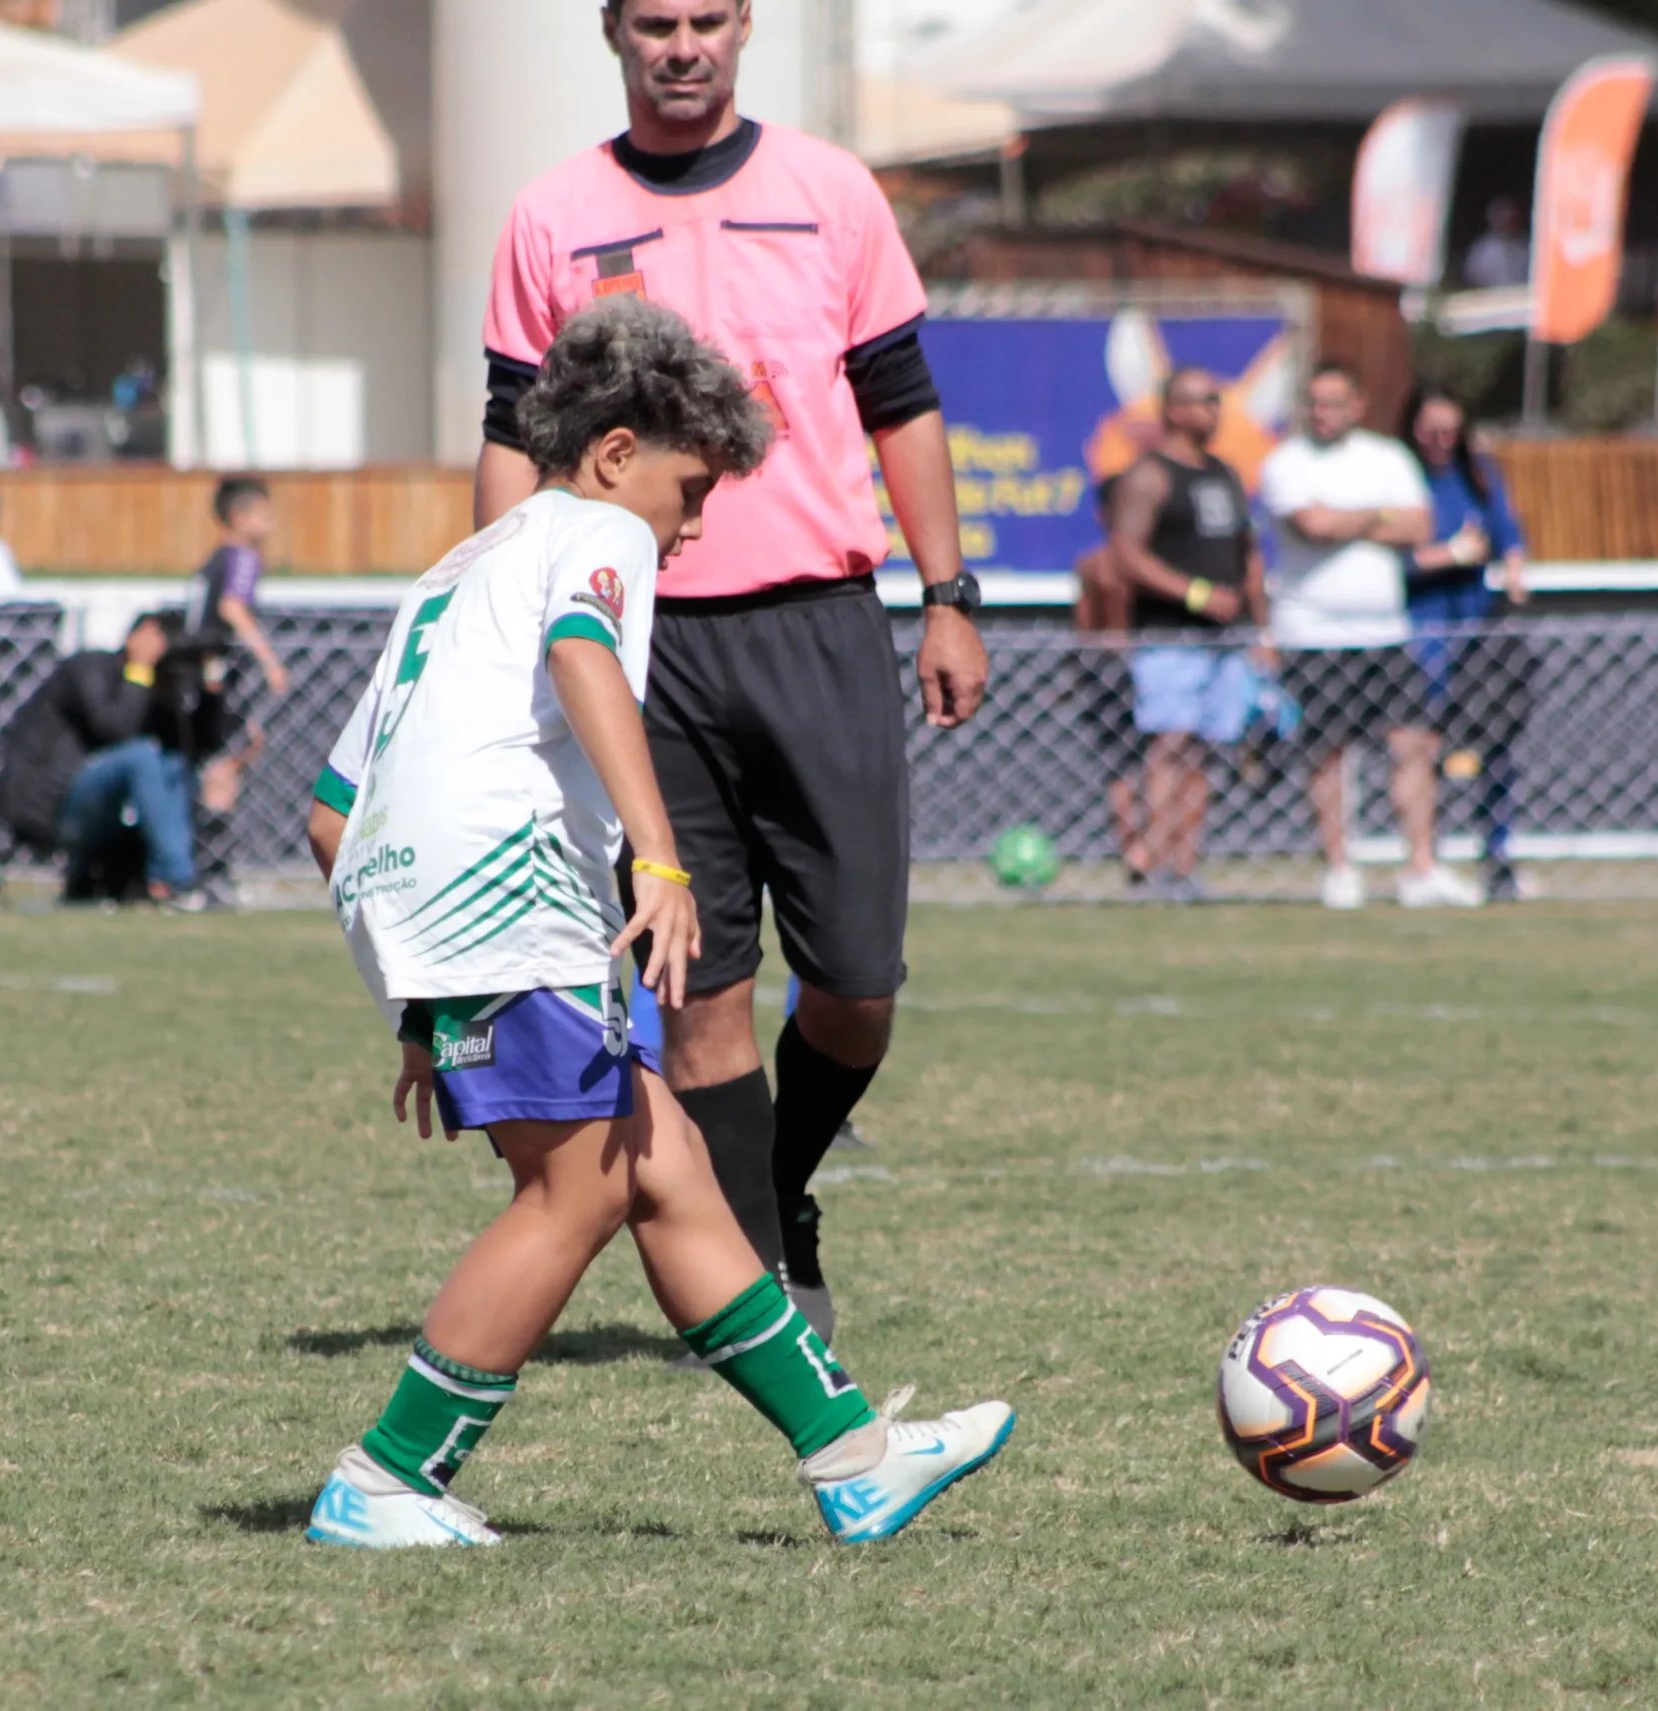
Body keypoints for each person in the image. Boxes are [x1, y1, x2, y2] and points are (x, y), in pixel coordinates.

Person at [301, 299, 1013, 1551]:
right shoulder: (596, 532)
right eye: (692, 490)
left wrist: (420, 995)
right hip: (504, 893)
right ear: (618, 452)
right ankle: (387, 1477)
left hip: (421, 904)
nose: (694, 526)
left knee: (668, 1168)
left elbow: (327, 811)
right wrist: (662, 857)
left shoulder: (459, 567)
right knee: (574, 1192)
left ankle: (852, 1458)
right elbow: (582, 651)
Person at [471, 0, 990, 1348]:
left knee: (859, 984)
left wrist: (948, 595)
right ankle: (767, 1292)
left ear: (747, 25)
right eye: (656, 21)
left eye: (707, 17)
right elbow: (508, 436)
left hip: (818, 620)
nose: (682, 44)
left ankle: (777, 1192)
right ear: (614, 33)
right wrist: (500, 598)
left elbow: (902, 399)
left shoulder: (829, 190)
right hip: (637, 644)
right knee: (697, 996)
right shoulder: (550, 213)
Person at [1260, 361, 1480, 910]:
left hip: (1384, 631)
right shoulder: (1287, 462)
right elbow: (1312, 526)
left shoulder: (1387, 458)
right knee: (1328, 753)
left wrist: (1347, 518)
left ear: (1358, 406)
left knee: (1414, 743)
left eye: (1335, 402)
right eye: (1315, 401)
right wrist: (1377, 516)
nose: (1324, 412)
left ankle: (1420, 868)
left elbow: (1418, 527)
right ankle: (1340, 869)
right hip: (1312, 632)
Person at [1100, 368, 1264, 898]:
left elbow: (1247, 551)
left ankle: (1184, 866)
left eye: (1216, 402)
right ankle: (1152, 866)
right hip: (1170, 636)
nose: (1212, 412)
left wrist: (1260, 623)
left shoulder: (1224, 473)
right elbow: (1125, 554)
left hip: (1226, 641)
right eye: (1200, 402)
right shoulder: (1149, 475)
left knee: (1207, 752)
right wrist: (1194, 593)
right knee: (1169, 746)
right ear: (1171, 409)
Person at [1402, 384, 1534, 903]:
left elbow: (1507, 533)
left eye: (1449, 431)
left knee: (1494, 742)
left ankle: (1497, 853)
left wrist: (1515, 566)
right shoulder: (1403, 476)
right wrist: (1449, 554)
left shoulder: (1478, 473)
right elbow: (1399, 557)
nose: (1440, 440)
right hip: (1423, 628)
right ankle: (1425, 857)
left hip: (1477, 630)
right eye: (1430, 430)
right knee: (1425, 743)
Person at [0, 613, 203, 906]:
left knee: (173, 764)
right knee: (141, 757)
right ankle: (180, 882)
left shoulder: (155, 687)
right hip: (48, 806)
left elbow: (194, 748)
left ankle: (165, 882)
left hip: (101, 809)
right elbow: (115, 728)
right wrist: (140, 667)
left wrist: (207, 687)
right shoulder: (88, 668)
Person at [183, 476, 290, 698]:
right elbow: (231, 607)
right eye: (264, 516)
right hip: (215, 665)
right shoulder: (243, 558)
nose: (271, 524)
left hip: (194, 662)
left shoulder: (217, 557)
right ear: (240, 519)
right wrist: (270, 662)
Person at [1462, 198, 1531, 292]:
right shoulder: (1482, 248)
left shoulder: (1526, 245)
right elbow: (1473, 278)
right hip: (1492, 301)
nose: (1507, 223)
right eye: (1501, 219)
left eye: (1511, 219)